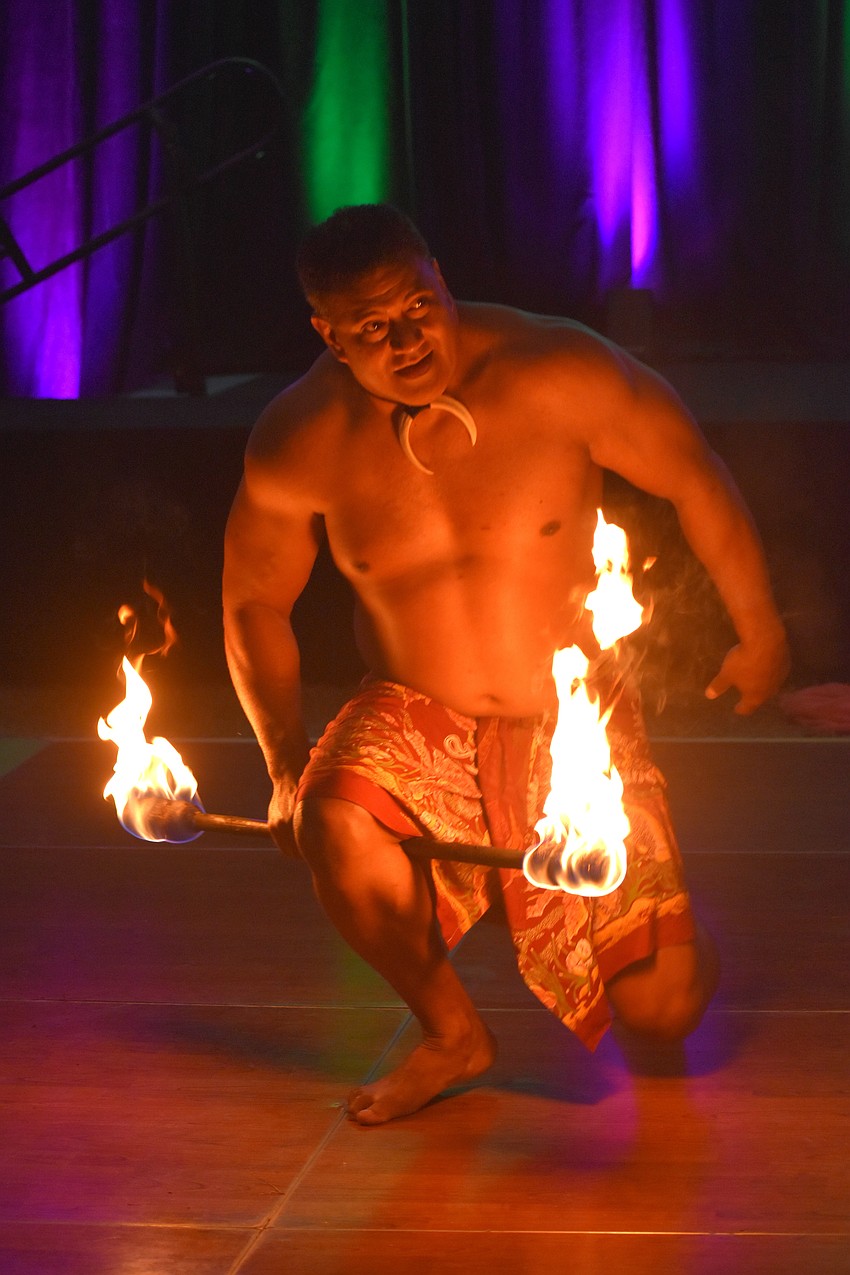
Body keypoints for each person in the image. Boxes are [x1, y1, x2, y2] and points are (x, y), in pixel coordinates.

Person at [222, 204, 789, 1126]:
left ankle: (660, 924)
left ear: (441, 279)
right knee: (331, 815)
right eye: (373, 328)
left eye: (418, 306)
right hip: (416, 710)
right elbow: (252, 599)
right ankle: (451, 1033)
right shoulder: (302, 437)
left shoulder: (557, 370)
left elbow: (694, 473)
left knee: (664, 1012)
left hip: (566, 711)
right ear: (329, 335)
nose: (408, 340)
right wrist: (284, 765)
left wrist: (760, 630)